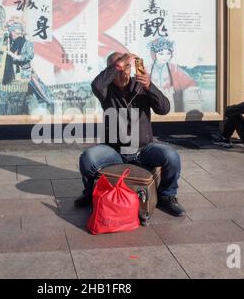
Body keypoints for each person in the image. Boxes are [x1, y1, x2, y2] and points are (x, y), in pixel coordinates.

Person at [74, 52, 185, 217]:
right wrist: (119, 63)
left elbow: (164, 108)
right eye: (118, 67)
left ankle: (167, 196)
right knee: (87, 158)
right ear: (110, 70)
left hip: (143, 149)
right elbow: (96, 85)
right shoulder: (106, 90)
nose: (123, 72)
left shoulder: (141, 86)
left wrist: (149, 86)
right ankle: (91, 193)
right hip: (114, 150)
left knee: (171, 156)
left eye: (126, 67)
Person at [147, 37, 197, 112]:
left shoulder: (174, 69)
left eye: (168, 53)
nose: (165, 57)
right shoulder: (146, 69)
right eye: (161, 54)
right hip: (151, 99)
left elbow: (190, 82)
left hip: (168, 101)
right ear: (154, 54)